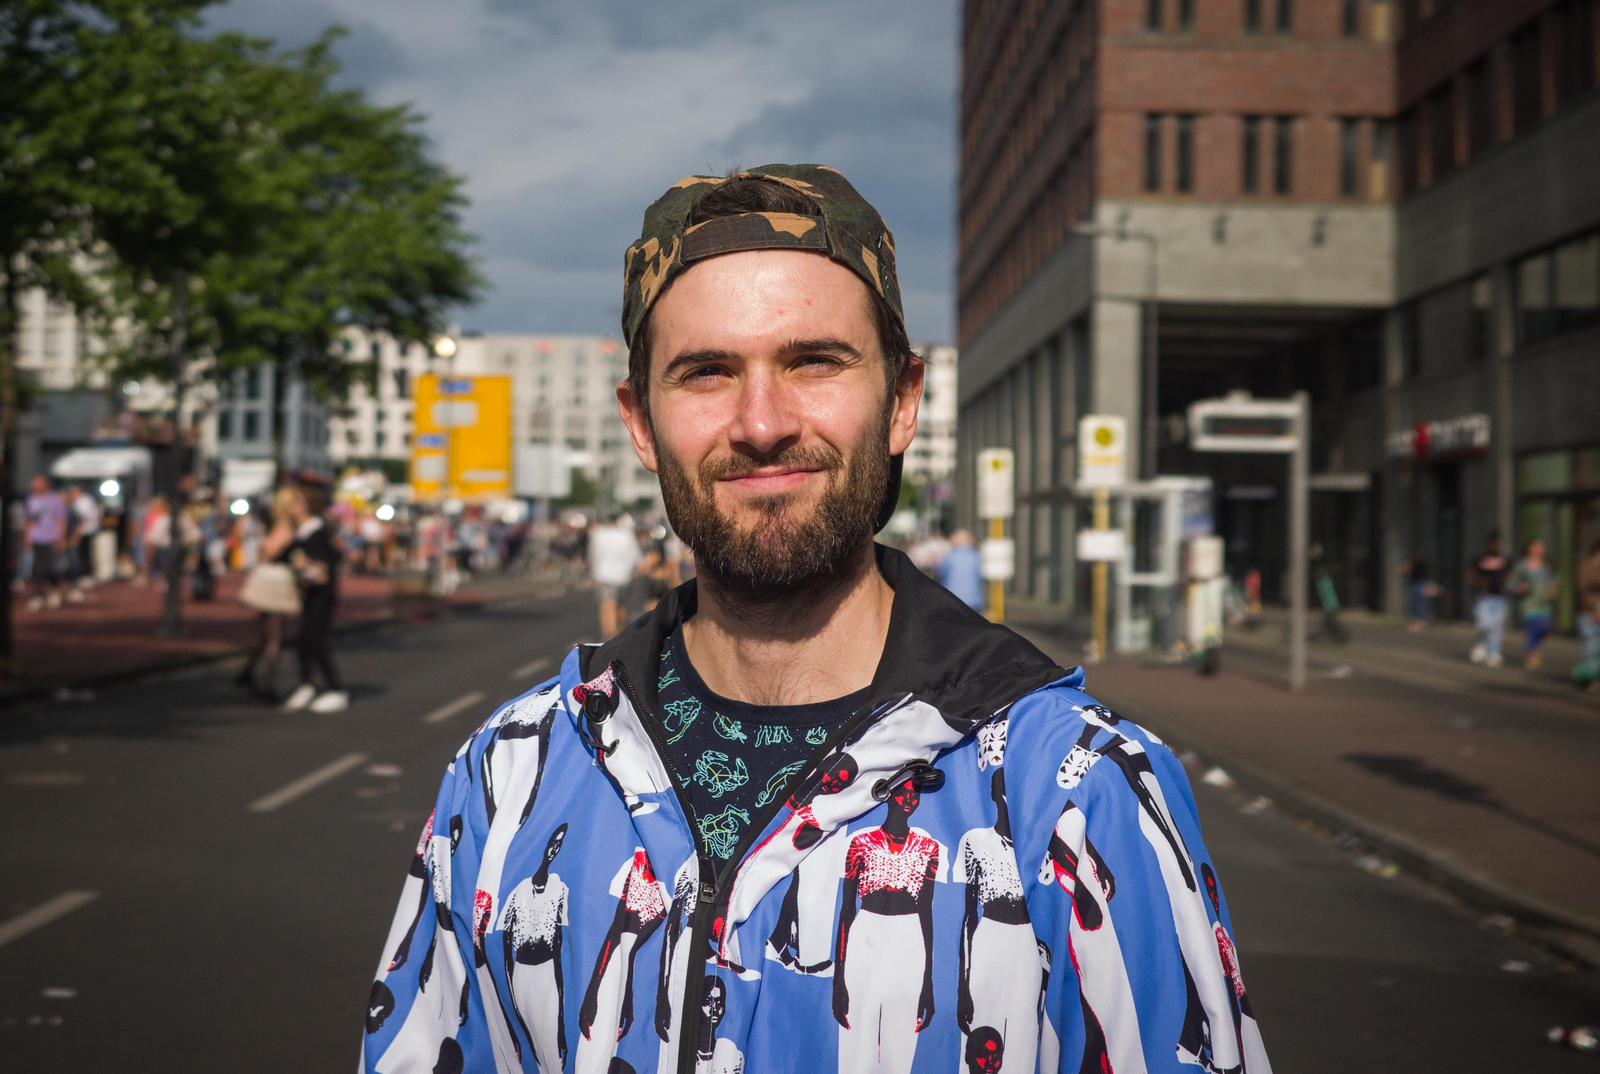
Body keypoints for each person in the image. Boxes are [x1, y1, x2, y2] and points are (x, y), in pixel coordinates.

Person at [362, 165, 1268, 1074]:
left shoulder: (1080, 792)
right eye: (706, 372)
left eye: (814, 362)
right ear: (640, 424)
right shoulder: (506, 777)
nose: (762, 423)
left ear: (904, 400)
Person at [282, 482, 347, 713]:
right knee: (303, 640)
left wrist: (304, 568)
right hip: (309, 595)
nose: (293, 508)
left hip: (322, 595)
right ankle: (307, 683)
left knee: (316, 640)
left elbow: (323, 571)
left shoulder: (316, 533)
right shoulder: (301, 532)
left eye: (297, 503)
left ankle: (335, 688)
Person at [236, 486, 302, 702]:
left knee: (267, 631)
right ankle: (269, 682)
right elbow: (270, 552)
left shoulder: (281, 525)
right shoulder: (286, 527)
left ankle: (248, 672)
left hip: (271, 577)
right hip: (276, 579)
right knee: (275, 634)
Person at [1507, 538, 1558, 671]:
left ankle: (1534, 650)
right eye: (1535, 546)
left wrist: (1553, 588)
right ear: (1529, 548)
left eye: (1540, 547)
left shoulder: (1547, 566)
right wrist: (1519, 588)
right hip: (1528, 603)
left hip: (1544, 603)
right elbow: (1510, 584)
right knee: (1534, 627)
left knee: (1545, 627)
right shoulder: (1522, 566)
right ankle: (1533, 654)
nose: (1538, 550)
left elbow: (1554, 581)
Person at [23, 474, 70, 611]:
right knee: (37, 568)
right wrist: (28, 538)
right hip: (38, 538)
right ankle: (38, 596)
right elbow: (30, 521)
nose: (34, 485)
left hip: (52, 538)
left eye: (37, 483)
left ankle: (54, 591)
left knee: (52, 567)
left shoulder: (55, 500)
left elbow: (62, 520)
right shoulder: (31, 500)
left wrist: (61, 538)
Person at [591, 513, 642, 636]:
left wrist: (593, 573)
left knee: (607, 607)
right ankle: (619, 633)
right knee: (622, 607)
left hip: (604, 576)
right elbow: (637, 557)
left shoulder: (599, 534)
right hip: (624, 577)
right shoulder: (627, 535)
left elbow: (593, 555)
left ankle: (609, 637)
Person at [1470, 532, 1510, 667]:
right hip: (1484, 598)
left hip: (1499, 598)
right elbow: (1472, 575)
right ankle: (1481, 644)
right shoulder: (1480, 560)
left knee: (1496, 627)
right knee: (1484, 624)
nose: (1496, 546)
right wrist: (1479, 585)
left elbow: (1508, 577)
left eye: (1498, 544)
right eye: (1493, 544)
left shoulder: (1504, 560)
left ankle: (1494, 653)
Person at [937, 529, 985, 613]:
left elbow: (940, 573)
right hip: (974, 601)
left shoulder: (950, 557)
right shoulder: (977, 557)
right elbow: (981, 576)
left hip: (953, 600)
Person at [1577, 540, 1600, 692]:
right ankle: (1591, 679)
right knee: (1591, 647)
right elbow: (1583, 592)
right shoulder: (1586, 568)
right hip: (1589, 614)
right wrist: (1593, 611)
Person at [1403, 550, 1432, 632]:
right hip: (1418, 584)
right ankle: (1420, 620)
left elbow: (1406, 569)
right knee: (1418, 603)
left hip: (1419, 585)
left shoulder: (1419, 564)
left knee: (1419, 603)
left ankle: (1421, 621)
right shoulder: (1418, 563)